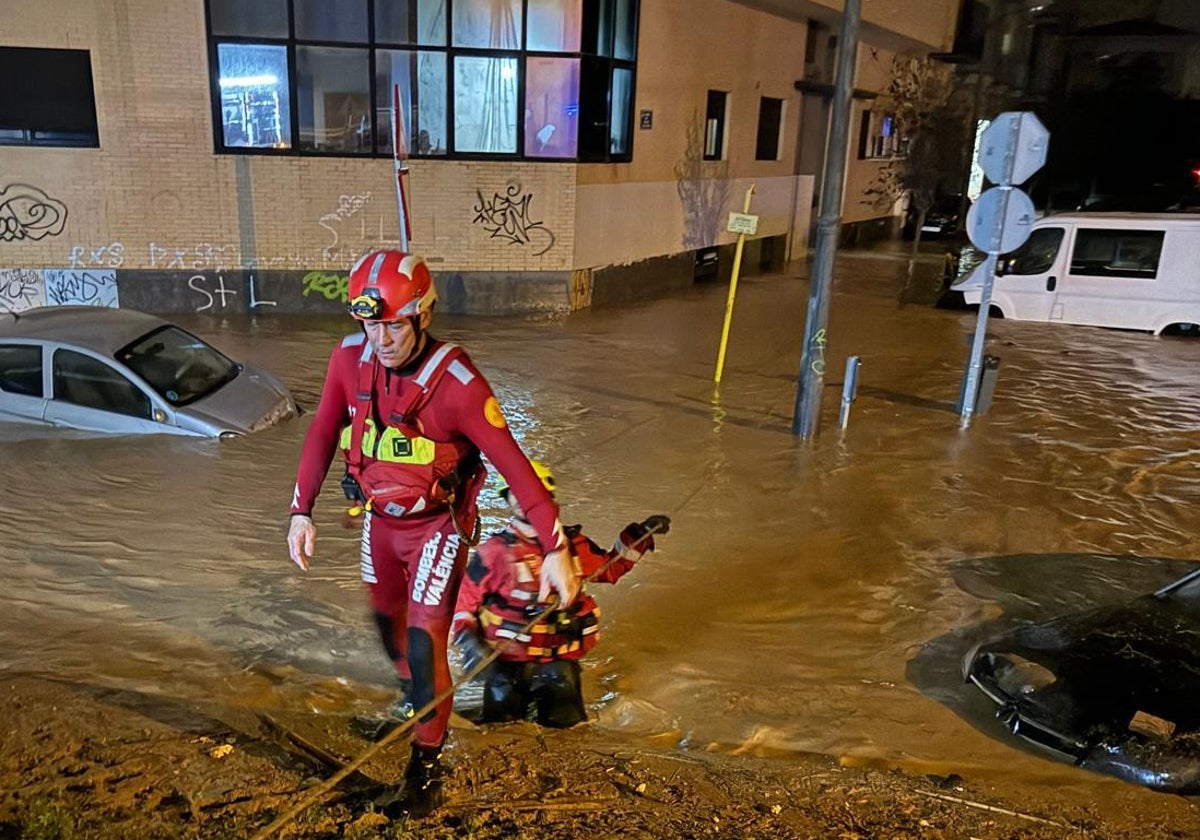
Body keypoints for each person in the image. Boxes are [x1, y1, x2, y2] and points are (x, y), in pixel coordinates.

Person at [286, 249, 579, 816]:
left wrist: (555, 547)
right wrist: (302, 510)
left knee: (425, 643)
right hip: (379, 521)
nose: (381, 337)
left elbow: (515, 465)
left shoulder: (460, 386)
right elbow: (324, 429)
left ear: (421, 315)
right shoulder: (349, 359)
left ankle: (425, 771)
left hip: (436, 530)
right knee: (386, 627)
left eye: (394, 323)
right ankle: (416, 709)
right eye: (371, 323)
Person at [452, 461, 669, 728]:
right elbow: (464, 603)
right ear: (507, 500)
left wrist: (640, 535)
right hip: (507, 662)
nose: (523, 500)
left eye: (531, 492)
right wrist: (472, 646)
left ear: (548, 497)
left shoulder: (574, 546)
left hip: (558, 661)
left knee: (566, 723)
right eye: (515, 493)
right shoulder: (496, 551)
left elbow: (610, 569)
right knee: (499, 725)